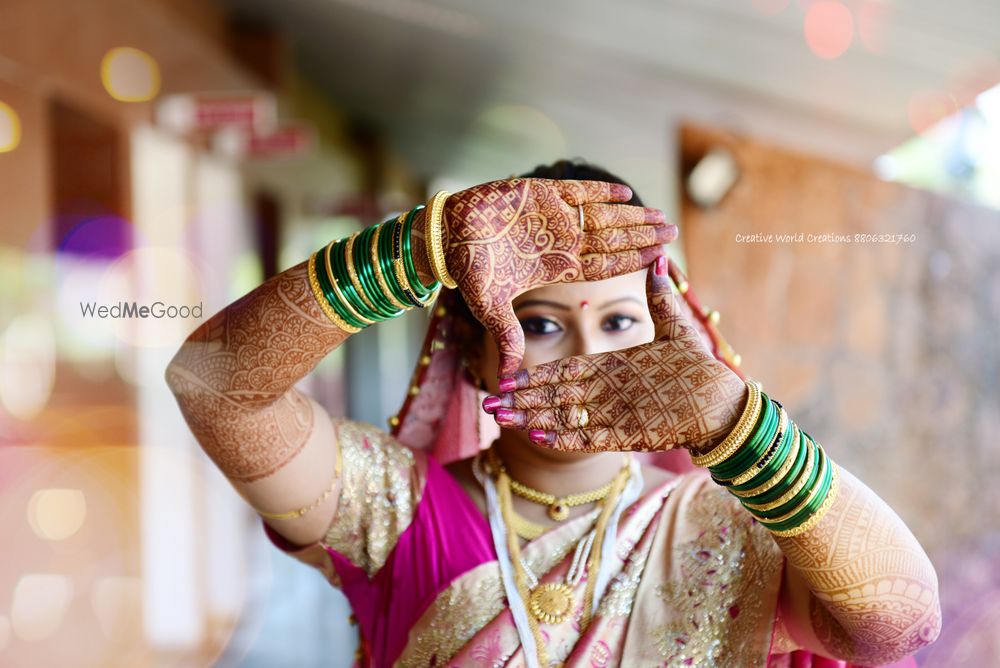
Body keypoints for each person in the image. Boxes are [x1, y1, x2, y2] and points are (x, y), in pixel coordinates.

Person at [165, 160, 941, 667]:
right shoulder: (397, 513)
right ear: (468, 349)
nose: (585, 355)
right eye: (538, 324)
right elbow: (212, 384)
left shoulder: (732, 529)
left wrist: (743, 428)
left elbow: (901, 625)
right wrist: (419, 249)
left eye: (619, 320)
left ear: (670, 336)